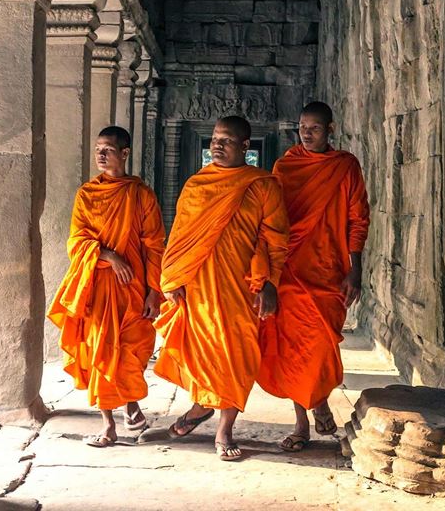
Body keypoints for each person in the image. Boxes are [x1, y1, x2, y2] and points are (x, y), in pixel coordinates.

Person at [154, 115, 289, 461]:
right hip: (198, 283)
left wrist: (270, 282)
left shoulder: (262, 185)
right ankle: (201, 405)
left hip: (241, 285)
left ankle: (225, 429)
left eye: (226, 140)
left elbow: (275, 239)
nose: (217, 144)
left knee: (236, 353)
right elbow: (179, 236)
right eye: (214, 139)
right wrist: (172, 278)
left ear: (246, 146)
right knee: (203, 352)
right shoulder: (197, 185)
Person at [258, 101, 370, 452]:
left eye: (315, 128)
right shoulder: (285, 166)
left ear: (331, 130)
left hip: (328, 270)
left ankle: (318, 398)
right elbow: (272, 220)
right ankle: (301, 422)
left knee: (320, 344)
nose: (307, 133)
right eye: (303, 127)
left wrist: (356, 268)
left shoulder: (345, 166)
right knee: (292, 348)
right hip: (289, 269)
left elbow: (357, 218)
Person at [48, 126, 165, 447]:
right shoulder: (87, 194)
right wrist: (109, 255)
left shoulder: (141, 194)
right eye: (98, 148)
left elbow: (154, 244)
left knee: (131, 349)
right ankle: (108, 426)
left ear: (124, 154)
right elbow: (77, 240)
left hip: (133, 286)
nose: (100, 154)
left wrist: (155, 290)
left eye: (108, 149)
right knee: (100, 348)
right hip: (97, 285)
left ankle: (129, 402)